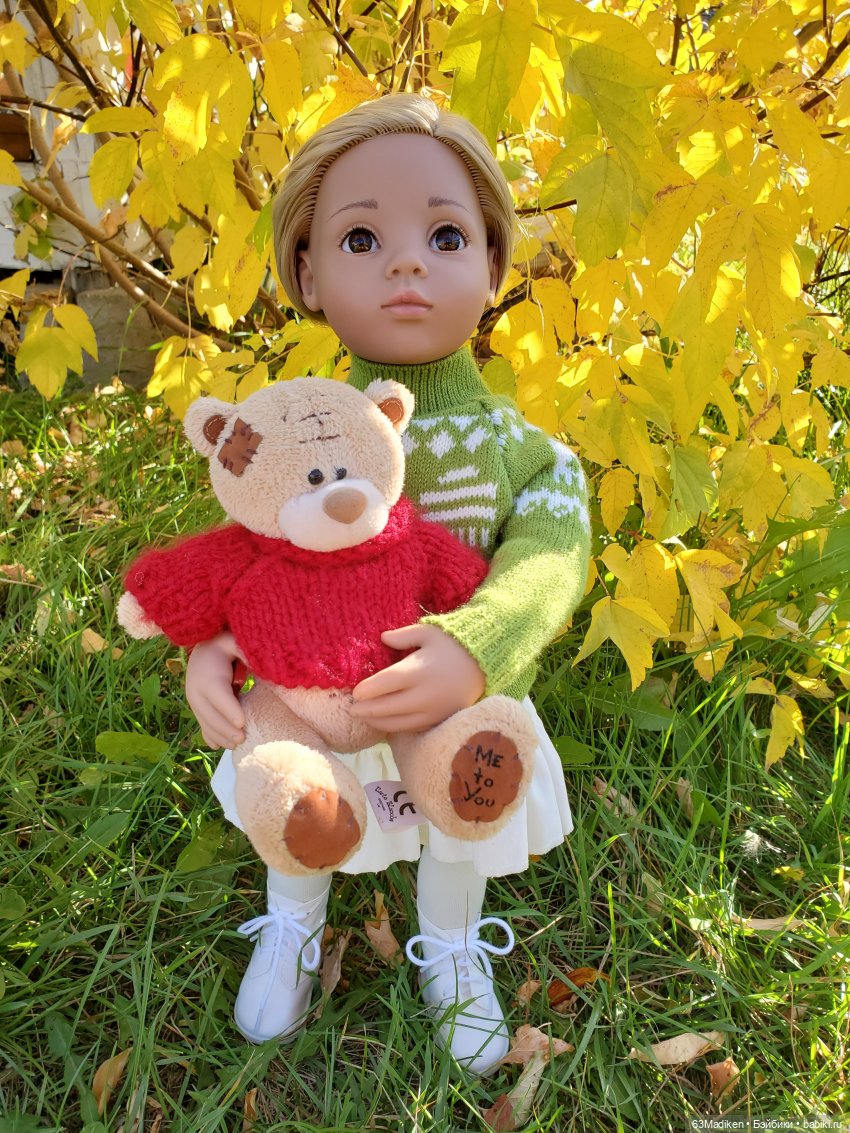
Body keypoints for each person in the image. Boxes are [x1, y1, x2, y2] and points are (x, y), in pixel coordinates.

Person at [185, 93, 591, 1075]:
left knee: (461, 810)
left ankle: (450, 944)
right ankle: (294, 919)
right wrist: (215, 640)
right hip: (310, 692)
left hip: (452, 702)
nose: (406, 262)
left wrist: (479, 644)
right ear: (307, 273)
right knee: (299, 799)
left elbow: (552, 553)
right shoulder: (294, 428)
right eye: (361, 238)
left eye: (445, 235)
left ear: (491, 264)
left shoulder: (520, 448)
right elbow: (247, 546)